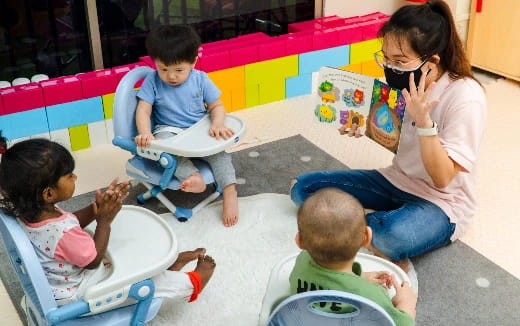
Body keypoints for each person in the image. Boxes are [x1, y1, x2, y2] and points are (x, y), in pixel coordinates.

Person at [290, 0, 486, 272]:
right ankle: (368, 226)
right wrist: (363, 125)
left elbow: (442, 178)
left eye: (400, 61)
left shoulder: (465, 96)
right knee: (303, 188)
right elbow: (395, 136)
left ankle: (373, 226)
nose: (391, 68)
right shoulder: (406, 81)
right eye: (386, 58)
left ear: (432, 63)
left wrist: (423, 121)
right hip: (396, 180)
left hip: (443, 202)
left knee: (389, 235)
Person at [0, 138, 216, 306]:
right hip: (78, 291)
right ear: (48, 194)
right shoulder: (62, 234)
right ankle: (193, 282)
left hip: (59, 282)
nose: (75, 178)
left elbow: (69, 221)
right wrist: (104, 220)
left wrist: (98, 208)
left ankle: (167, 266)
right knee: (145, 279)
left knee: (125, 248)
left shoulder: (32, 212)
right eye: (69, 176)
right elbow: (93, 260)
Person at [134, 24, 239, 227]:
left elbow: (216, 105)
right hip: (170, 130)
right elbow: (143, 110)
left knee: (220, 154)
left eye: (178, 70)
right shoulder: (153, 81)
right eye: (163, 69)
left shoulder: (200, 79)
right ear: (154, 63)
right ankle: (193, 177)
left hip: (198, 128)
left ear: (193, 62)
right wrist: (145, 133)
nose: (171, 76)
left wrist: (217, 123)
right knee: (166, 152)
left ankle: (229, 191)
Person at [290, 188, 417, 325]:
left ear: (299, 241)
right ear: (366, 238)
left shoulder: (301, 261)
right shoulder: (371, 296)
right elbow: (402, 324)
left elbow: (330, 282)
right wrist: (405, 303)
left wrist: (361, 277)